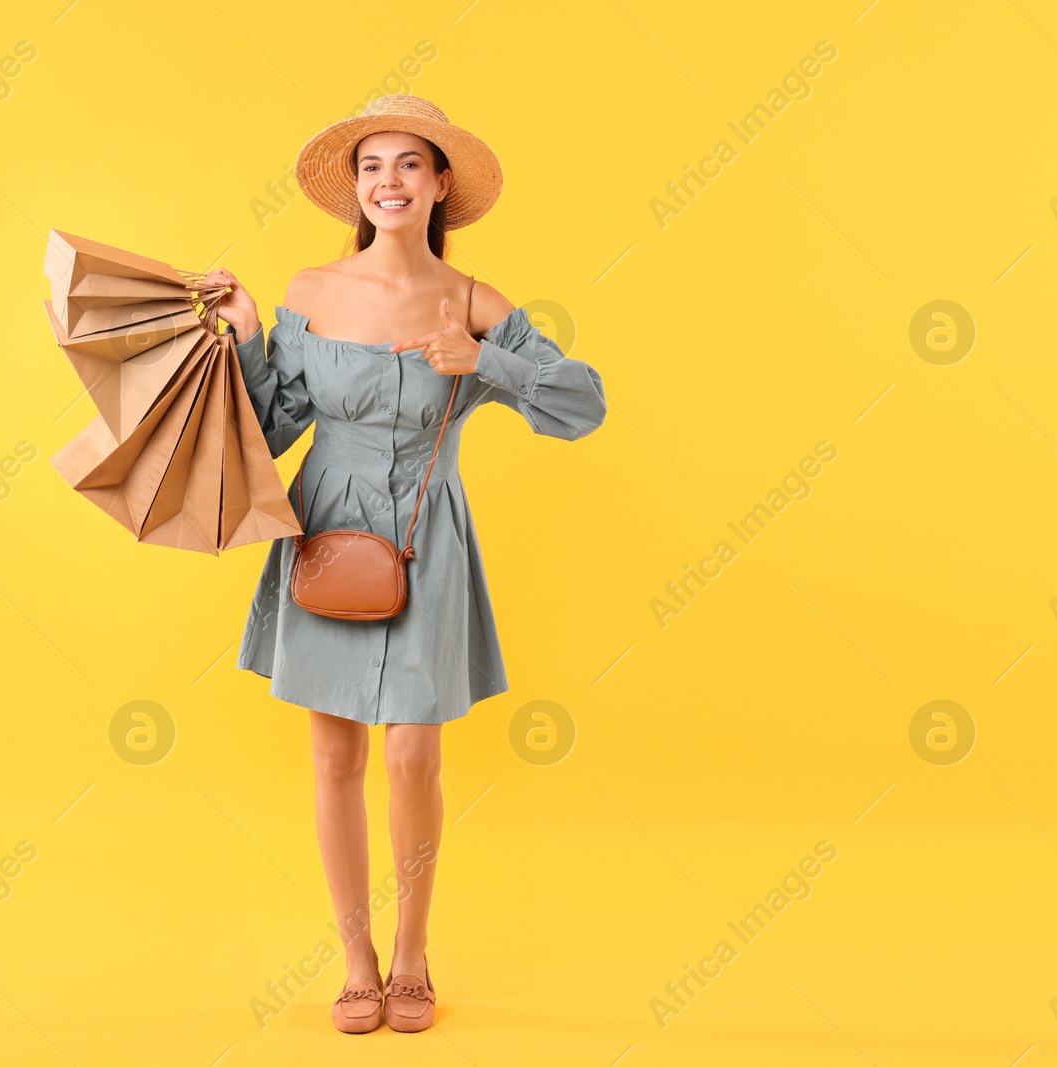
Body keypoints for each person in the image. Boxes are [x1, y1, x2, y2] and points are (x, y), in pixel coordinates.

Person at [206, 94, 607, 1034]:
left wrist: (486, 363)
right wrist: (251, 333)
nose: (388, 181)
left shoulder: (477, 303)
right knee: (334, 752)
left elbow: (582, 405)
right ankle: (355, 961)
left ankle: (415, 955)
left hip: (430, 535)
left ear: (440, 185)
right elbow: (269, 431)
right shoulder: (311, 291)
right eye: (372, 166)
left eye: (408, 165)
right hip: (324, 533)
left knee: (416, 752)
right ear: (356, 188)